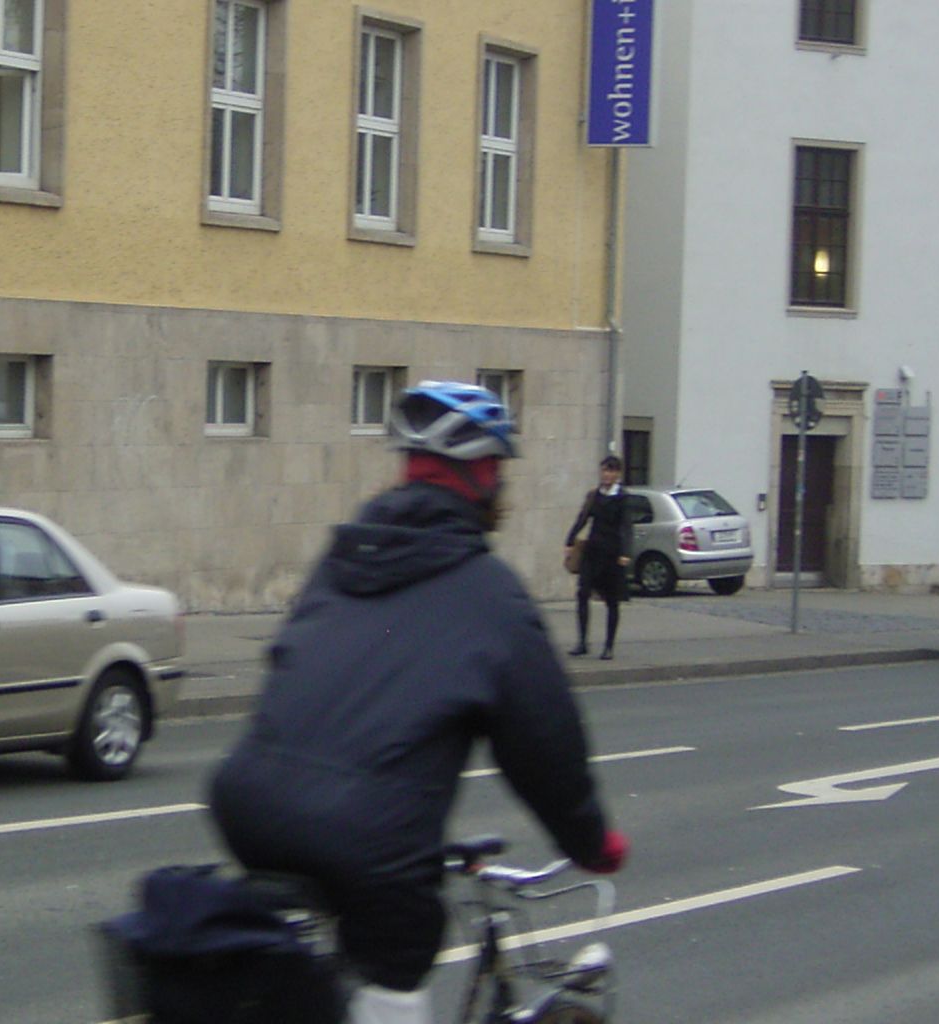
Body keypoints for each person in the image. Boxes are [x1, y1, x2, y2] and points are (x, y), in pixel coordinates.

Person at [206, 382, 627, 1024]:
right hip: (368, 842)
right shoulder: (490, 596)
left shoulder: (342, 557)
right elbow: (544, 747)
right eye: (500, 474)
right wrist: (594, 843)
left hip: (249, 805)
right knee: (397, 958)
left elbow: (292, 665)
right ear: (483, 477)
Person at [564, 455, 631, 660]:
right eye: (604, 470)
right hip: (592, 552)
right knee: (582, 593)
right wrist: (569, 540)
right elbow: (582, 518)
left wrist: (626, 553)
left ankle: (609, 646)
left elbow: (627, 527)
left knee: (612, 601)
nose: (607, 474)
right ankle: (582, 642)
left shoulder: (623, 497)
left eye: (611, 471)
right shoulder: (594, 495)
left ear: (617, 474)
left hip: (612, 554)